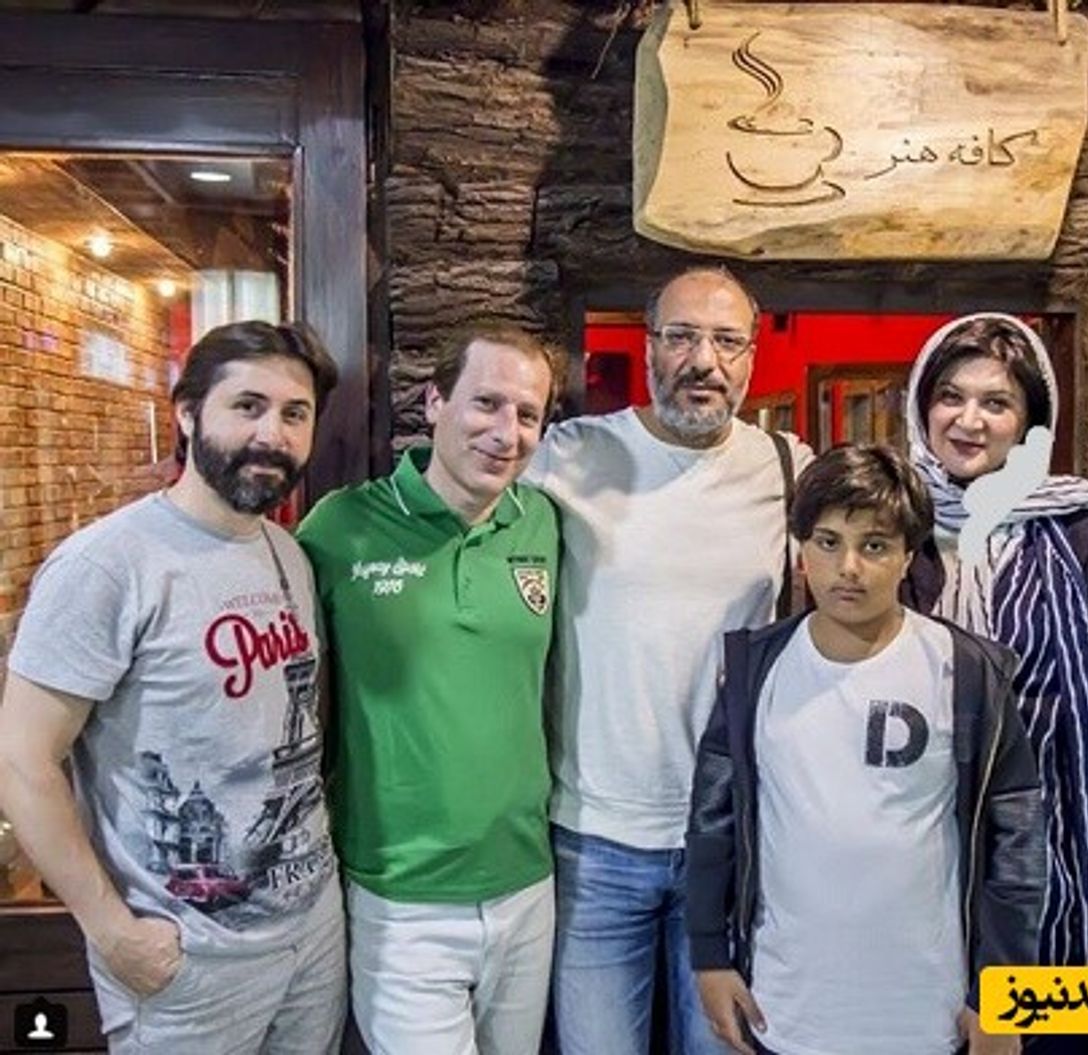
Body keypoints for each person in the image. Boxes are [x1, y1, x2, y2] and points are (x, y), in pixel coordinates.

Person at [0, 321, 345, 1054]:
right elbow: (21, 760)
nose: (272, 434)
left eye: (295, 413)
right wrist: (112, 931)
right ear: (187, 413)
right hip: (187, 968)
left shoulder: (289, 553)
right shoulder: (105, 565)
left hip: (312, 942)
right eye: (247, 406)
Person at [523, 266, 811, 1055]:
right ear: (649, 346)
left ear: (751, 356)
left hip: (729, 841)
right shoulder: (569, 454)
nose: (703, 360)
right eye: (681, 336)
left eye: (725, 340)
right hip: (592, 840)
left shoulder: (789, 467)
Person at [686, 443, 1046, 1055]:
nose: (847, 567)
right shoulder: (755, 670)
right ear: (801, 550)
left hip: (927, 1015)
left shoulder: (965, 672)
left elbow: (1016, 845)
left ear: (907, 556)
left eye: (874, 545)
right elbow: (711, 822)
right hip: (787, 1011)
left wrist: (1003, 994)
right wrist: (708, 954)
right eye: (828, 542)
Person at [904, 313, 1088, 1053]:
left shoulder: (1085, 530)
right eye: (951, 396)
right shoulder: (897, 528)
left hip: (1066, 859)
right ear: (922, 406)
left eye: (996, 402)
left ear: (1029, 423)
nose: (968, 420)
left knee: (1054, 1040)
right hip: (923, 859)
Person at [297, 321, 565, 1055]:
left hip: (527, 885)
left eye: (528, 414)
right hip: (402, 899)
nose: (506, 432)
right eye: (486, 403)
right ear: (435, 402)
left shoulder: (542, 523)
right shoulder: (341, 528)